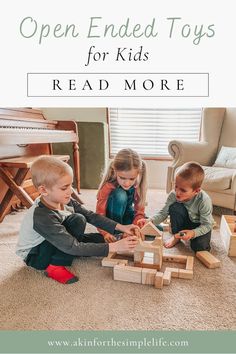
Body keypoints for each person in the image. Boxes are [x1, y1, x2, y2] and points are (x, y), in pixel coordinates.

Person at [16, 156, 140, 284]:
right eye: (64, 188)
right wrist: (112, 248)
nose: (70, 191)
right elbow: (71, 246)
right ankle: (55, 266)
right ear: (44, 190)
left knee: (95, 235)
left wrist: (122, 227)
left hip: (55, 239)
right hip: (36, 255)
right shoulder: (41, 216)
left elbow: (91, 216)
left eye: (71, 185)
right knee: (77, 223)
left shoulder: (66, 200)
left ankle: (97, 245)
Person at [138, 162, 214, 252]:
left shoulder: (204, 200)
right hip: (184, 221)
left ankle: (193, 237)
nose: (177, 192)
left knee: (199, 247)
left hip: (199, 225)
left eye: (183, 190)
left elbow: (207, 224)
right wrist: (150, 221)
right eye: (176, 186)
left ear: (196, 191)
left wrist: (193, 233)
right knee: (174, 207)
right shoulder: (173, 195)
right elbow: (163, 213)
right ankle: (177, 237)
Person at [96, 148, 147, 243]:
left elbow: (139, 213)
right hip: (111, 222)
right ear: (114, 171)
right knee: (120, 195)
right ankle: (117, 233)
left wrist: (135, 227)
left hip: (126, 215)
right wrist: (105, 232)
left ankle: (126, 231)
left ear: (138, 174)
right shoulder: (107, 187)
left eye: (132, 179)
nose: (127, 183)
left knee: (154, 228)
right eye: (122, 178)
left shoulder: (138, 185)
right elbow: (99, 215)